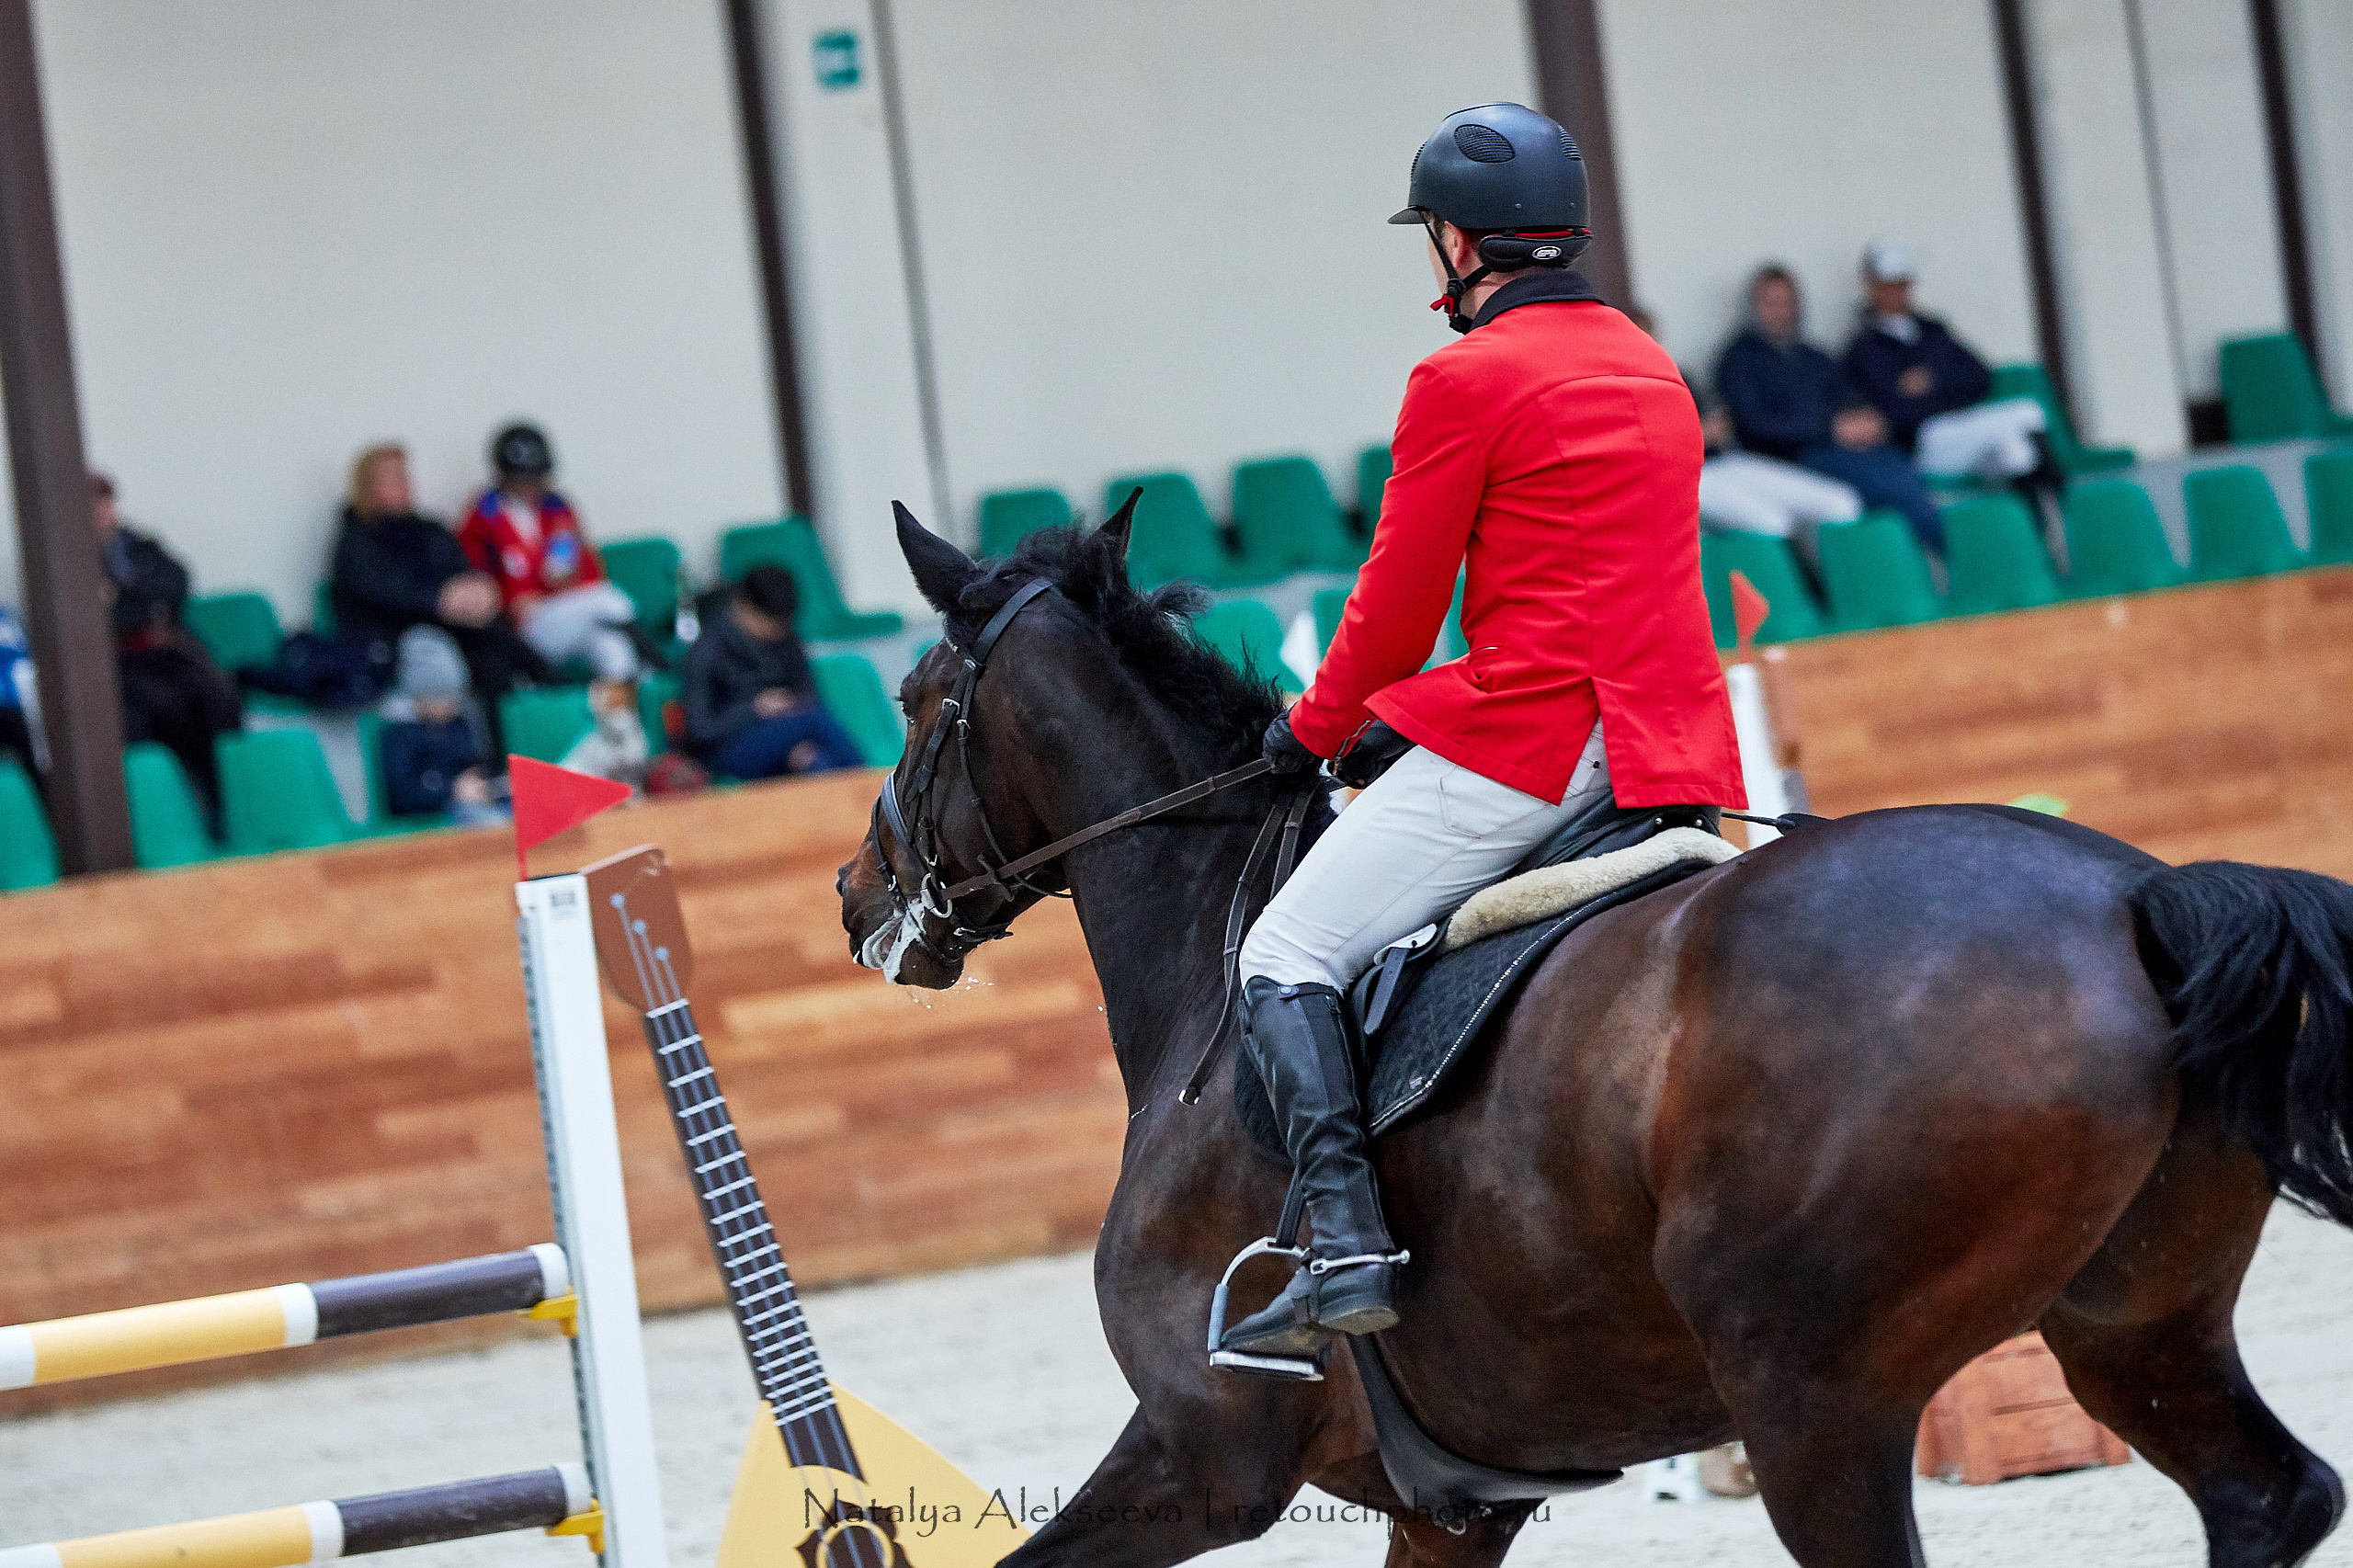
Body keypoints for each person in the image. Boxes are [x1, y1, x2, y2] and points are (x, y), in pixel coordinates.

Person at [1219, 104, 1744, 1360]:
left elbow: (1397, 604)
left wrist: (1317, 728)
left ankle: (1345, 1241)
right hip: (1665, 744)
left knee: (1284, 951)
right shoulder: (1645, 360)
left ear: (1457, 241)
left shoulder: (1464, 376)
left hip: (1538, 742)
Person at [1714, 265, 1947, 552]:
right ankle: (1944, 556)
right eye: (1770, 303)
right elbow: (1754, 425)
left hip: (1841, 448)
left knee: (1899, 466)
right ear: (1754, 307)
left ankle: (1927, 559)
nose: (1780, 311)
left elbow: (1849, 396)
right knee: (1883, 487)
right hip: (1790, 458)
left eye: (1787, 302)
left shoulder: (1814, 356)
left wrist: (1866, 421)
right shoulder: (1739, 360)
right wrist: (1830, 428)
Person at [331, 443, 552, 744]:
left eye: (404, 476)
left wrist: (480, 594)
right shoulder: (356, 539)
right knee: (438, 659)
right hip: (399, 638)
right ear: (369, 486)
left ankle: (518, 753)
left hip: (456, 626)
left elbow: (461, 571)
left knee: (498, 655)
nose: (404, 485)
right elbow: (379, 594)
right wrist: (438, 601)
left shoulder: (428, 529)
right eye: (392, 478)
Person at [1841, 237, 2062, 516]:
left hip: (1963, 431)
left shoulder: (1932, 330)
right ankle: (2063, 504)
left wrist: (1933, 382)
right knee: (2026, 412)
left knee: (2015, 452)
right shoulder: (1863, 348)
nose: (1895, 293)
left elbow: (1979, 376)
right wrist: (1942, 395)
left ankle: (2041, 534)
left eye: (1901, 284)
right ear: (1871, 287)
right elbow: (1892, 412)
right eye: (1887, 285)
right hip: (1925, 444)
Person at [1628, 305, 1861, 545]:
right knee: (1769, 524)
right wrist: (1696, 436)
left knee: (1841, 503)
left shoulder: (1676, 376)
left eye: (1651, 336)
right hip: (1682, 480)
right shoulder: (1618, 394)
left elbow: (1719, 421)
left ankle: (1834, 580)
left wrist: (1712, 429)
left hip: (1725, 461)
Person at [95, 472, 244, 819]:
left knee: (218, 693)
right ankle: (173, 813)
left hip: (169, 651)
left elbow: (177, 581)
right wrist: (141, 604)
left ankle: (227, 802)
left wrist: (123, 595)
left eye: (105, 503)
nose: (102, 513)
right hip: (123, 661)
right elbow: (104, 618)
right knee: (155, 706)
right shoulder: (69, 562)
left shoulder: (140, 546)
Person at [455, 424, 642, 683]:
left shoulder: (558, 509)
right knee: (609, 602)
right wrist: (513, 600)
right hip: (524, 630)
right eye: (520, 479)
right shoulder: (482, 518)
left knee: (611, 647)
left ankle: (620, 720)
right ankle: (652, 656)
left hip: (570, 614)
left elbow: (580, 573)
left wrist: (561, 583)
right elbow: (476, 586)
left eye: (535, 477)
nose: (529, 487)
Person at [681, 565, 862, 779]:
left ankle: (861, 802)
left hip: (785, 739)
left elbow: (809, 695)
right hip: (728, 749)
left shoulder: (787, 640)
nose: (774, 630)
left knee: (817, 763)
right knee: (813, 719)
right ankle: (868, 785)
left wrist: (792, 732)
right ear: (743, 606)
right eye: (768, 622)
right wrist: (755, 708)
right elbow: (700, 730)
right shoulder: (708, 649)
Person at [377, 627, 509, 827]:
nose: (451, 706)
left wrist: (482, 782)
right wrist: (452, 791)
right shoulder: (401, 735)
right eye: (442, 697)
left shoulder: (457, 723)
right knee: (492, 824)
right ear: (419, 696)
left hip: (473, 802)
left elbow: (472, 762)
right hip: (436, 813)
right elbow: (402, 793)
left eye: (455, 698)